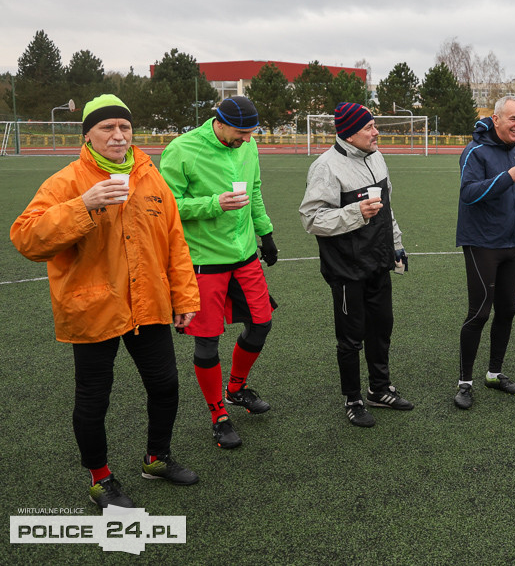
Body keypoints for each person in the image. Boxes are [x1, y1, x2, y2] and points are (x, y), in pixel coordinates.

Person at [10, 94, 200, 509]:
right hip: (93, 306)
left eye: (124, 127)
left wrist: (185, 296)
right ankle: (100, 478)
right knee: (94, 397)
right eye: (107, 128)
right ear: (88, 135)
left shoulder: (151, 176)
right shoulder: (66, 182)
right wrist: (84, 205)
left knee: (166, 385)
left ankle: (156, 458)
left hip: (149, 304)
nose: (118, 135)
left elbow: (175, 242)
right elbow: (26, 238)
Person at [160, 95, 278, 449]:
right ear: (219, 122)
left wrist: (266, 232)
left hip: (244, 256)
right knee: (207, 340)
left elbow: (254, 191)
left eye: (251, 133)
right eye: (241, 132)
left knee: (262, 323)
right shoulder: (182, 149)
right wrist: (213, 204)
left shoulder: (248, 145)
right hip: (203, 261)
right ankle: (218, 416)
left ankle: (236, 389)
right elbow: (166, 207)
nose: (246, 139)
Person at [299, 102, 413, 427]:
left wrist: (397, 244)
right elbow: (311, 219)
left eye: (374, 125)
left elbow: (387, 207)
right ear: (350, 133)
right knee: (351, 338)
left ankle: (379, 389)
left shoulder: (376, 157)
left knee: (381, 329)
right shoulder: (326, 167)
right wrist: (355, 213)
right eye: (369, 128)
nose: (376, 132)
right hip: (347, 269)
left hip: (379, 261)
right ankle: (353, 399)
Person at [454, 95, 515, 409]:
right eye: (513, 119)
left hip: (510, 245)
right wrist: (507, 177)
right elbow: (468, 193)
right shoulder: (475, 151)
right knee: (479, 313)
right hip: (482, 244)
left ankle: (494, 373)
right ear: (496, 119)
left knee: (508, 310)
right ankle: (464, 383)